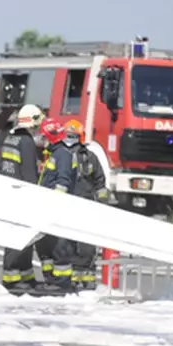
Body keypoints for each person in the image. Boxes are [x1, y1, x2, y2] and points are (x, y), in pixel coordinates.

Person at [0, 104, 44, 289]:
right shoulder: (26, 141)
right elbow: (29, 172)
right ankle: (11, 278)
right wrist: (35, 195)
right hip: (23, 194)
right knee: (20, 236)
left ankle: (26, 275)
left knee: (21, 235)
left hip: (9, 191)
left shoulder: (10, 138)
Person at [36, 118, 80, 290]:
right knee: (45, 244)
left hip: (58, 208)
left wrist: (55, 203)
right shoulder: (55, 153)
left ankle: (61, 282)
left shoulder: (62, 154)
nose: (43, 141)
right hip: (50, 206)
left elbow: (63, 181)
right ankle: (51, 278)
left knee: (59, 246)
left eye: (44, 137)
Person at [66, 120, 107, 289]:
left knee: (86, 244)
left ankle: (86, 275)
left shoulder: (90, 158)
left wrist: (101, 204)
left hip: (86, 205)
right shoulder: (62, 155)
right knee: (70, 242)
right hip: (69, 205)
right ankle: (75, 275)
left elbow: (100, 182)